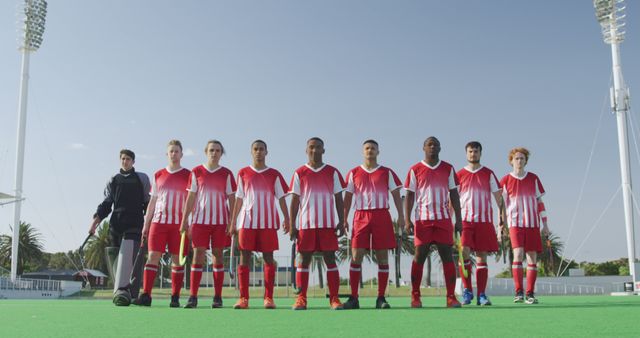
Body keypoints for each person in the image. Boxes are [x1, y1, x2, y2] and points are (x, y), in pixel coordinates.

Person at [342, 139, 404, 309]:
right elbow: (347, 197)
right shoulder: (353, 172)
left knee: (382, 257)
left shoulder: (386, 172)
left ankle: (381, 298)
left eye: (373, 148)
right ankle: (354, 298)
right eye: (367, 148)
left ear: (378, 152)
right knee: (356, 256)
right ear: (363, 152)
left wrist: (401, 215)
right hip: (360, 216)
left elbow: (396, 194)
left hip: (381, 215)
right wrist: (344, 218)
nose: (370, 151)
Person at [228, 140, 290, 310]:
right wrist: (233, 221)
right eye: (255, 149)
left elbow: (282, 197)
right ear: (251, 151)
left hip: (268, 222)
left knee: (268, 258)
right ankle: (243, 298)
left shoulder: (274, 174)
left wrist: (287, 218)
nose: (258, 152)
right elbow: (239, 199)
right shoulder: (243, 173)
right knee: (244, 258)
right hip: (246, 222)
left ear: (266, 152)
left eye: (261, 149)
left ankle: (268, 298)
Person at [404, 136, 463, 308]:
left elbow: (454, 195)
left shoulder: (448, 168)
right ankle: (415, 296)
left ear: (440, 148)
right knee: (419, 256)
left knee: (447, 256)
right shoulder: (415, 169)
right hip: (423, 220)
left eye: (436, 145)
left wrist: (458, 219)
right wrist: (407, 220)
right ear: (423, 148)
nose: (432, 147)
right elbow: (409, 195)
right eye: (429, 144)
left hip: (443, 219)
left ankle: (451, 297)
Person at [289, 137, 346, 310]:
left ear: (323, 150)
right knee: (304, 260)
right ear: (306, 150)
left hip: (327, 225)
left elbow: (338, 198)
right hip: (306, 225)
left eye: (318, 147)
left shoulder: (332, 172)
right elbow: (294, 200)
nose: (314, 150)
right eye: (311, 147)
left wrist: (342, 221)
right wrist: (292, 225)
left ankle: (334, 299)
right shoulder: (299, 172)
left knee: (330, 259)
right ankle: (301, 298)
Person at [133, 140, 191, 307]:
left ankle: (175, 297)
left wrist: (189, 222)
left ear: (181, 154)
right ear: (167, 154)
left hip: (178, 225)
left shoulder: (188, 175)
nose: (174, 154)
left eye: (176, 151)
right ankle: (146, 295)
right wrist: (146, 224)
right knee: (152, 257)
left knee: (177, 260)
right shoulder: (158, 174)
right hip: (158, 223)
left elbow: (191, 200)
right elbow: (152, 201)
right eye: (171, 151)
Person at [89, 149, 150, 306]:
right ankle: (120, 292)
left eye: (128, 159)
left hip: (135, 224)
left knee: (132, 258)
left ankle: (131, 293)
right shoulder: (113, 180)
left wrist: (149, 224)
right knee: (116, 259)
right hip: (116, 224)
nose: (125, 161)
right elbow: (106, 204)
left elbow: (147, 203)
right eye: (123, 159)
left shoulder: (141, 178)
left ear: (133, 162)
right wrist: (94, 224)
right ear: (120, 160)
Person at [180, 140, 237, 309]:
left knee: (218, 257)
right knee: (198, 256)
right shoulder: (196, 171)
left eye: (218, 150)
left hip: (220, 222)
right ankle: (193, 296)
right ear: (206, 152)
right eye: (211, 150)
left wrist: (232, 222)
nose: (214, 153)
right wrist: (184, 220)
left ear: (221, 153)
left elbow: (232, 199)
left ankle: (218, 297)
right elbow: (190, 198)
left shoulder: (227, 173)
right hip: (200, 221)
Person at [456, 141, 504, 306]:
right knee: (464, 254)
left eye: (476, 151)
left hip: (484, 221)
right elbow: (452, 199)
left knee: (481, 257)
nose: (473, 154)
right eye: (470, 151)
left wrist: (501, 219)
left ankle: (482, 294)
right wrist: (451, 220)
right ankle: (467, 291)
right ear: (466, 153)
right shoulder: (459, 174)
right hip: (465, 221)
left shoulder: (488, 173)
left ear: (480, 153)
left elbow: (499, 197)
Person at [499, 147, 549, 304]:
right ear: (511, 161)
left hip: (532, 223)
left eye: (522, 158)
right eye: (516, 158)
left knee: (532, 257)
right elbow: (501, 205)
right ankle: (518, 291)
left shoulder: (533, 178)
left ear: (526, 161)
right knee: (518, 254)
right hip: (515, 224)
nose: (519, 161)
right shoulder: (505, 180)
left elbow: (540, 202)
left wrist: (545, 224)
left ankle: (530, 293)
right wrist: (501, 225)